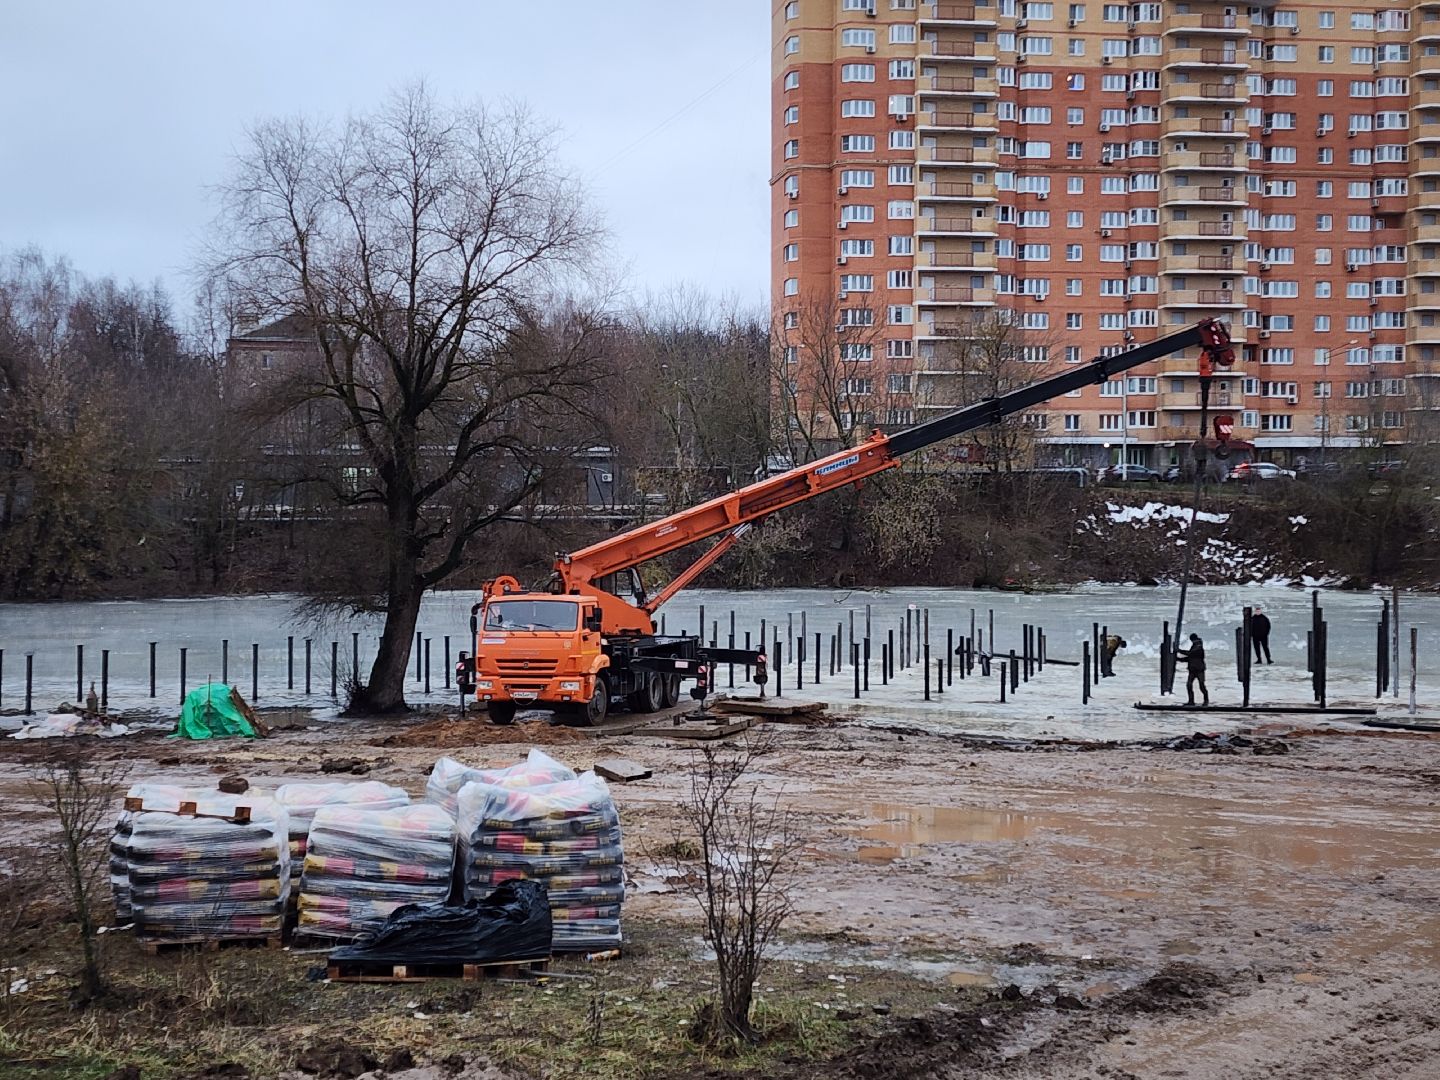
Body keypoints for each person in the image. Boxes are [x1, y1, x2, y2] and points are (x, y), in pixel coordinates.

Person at [1176, 633, 1209, 706]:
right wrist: (1178, 659)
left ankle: (1206, 700)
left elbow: (1191, 654)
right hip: (1192, 670)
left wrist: (1179, 650)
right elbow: (1190, 658)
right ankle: (1191, 701)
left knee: (1201, 685)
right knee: (1189, 685)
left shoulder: (1199, 646)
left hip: (1199, 669)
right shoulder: (1195, 646)